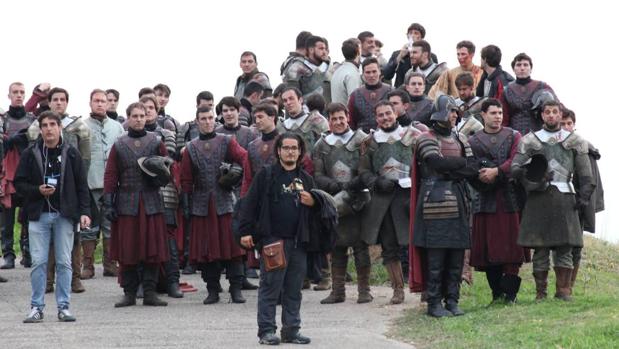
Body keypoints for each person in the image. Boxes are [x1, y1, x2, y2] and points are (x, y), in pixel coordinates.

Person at [238, 133, 318, 345]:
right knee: (270, 288)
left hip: (299, 242)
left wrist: (314, 202)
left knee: (294, 289)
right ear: (279, 151)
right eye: (286, 148)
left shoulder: (307, 179)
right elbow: (249, 206)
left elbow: (319, 213)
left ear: (300, 151)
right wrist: (245, 232)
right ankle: (267, 331)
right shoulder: (266, 176)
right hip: (273, 241)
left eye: (294, 148)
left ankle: (291, 330)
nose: (290, 151)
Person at [511, 100, 594, 301]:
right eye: (547, 112)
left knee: (566, 246)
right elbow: (515, 168)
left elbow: (585, 175)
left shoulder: (575, 141)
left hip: (566, 197)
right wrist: (532, 174)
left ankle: (563, 291)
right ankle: (541, 293)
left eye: (554, 112)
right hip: (538, 196)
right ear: (542, 115)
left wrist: (583, 197)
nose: (550, 115)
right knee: (540, 247)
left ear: (560, 114)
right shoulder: (530, 141)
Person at [15, 111, 91, 323]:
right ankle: (36, 307)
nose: (48, 129)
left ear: (59, 127)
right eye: (44, 125)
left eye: (52, 124)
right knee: (38, 262)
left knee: (64, 262)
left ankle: (64, 307)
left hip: (65, 216)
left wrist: (85, 212)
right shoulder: (30, 153)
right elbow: (19, 185)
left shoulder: (72, 153)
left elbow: (82, 186)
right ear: (40, 129)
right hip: (39, 216)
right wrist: (37, 190)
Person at [411, 95, 479, 317]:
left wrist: (456, 168)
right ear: (441, 112)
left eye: (456, 112)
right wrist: (461, 165)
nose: (455, 116)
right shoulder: (425, 138)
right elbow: (436, 163)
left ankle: (452, 300)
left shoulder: (461, 140)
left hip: (459, 201)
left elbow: (472, 168)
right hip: (434, 202)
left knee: (455, 257)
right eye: (451, 111)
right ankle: (434, 303)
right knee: (436, 259)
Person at [180, 106, 252, 305]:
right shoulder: (191, 147)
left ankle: (236, 289)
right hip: (201, 204)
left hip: (225, 201)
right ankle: (212, 290)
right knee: (207, 250)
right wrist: (186, 204)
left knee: (233, 249)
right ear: (197, 121)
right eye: (203, 118)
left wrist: (234, 174)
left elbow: (245, 159)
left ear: (215, 119)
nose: (207, 121)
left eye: (211, 118)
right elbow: (185, 179)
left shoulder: (227, 141)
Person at [105, 102, 171, 307]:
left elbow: (168, 169)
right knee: (128, 250)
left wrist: (160, 176)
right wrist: (109, 201)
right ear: (128, 118)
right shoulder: (119, 144)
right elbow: (111, 174)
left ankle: (150, 292)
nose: (139, 119)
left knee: (152, 249)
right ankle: (130, 293)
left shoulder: (156, 141)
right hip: (126, 202)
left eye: (142, 115)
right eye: (135, 116)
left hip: (151, 201)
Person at [26, 87, 91, 294]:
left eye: (63, 99)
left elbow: (85, 158)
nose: (59, 103)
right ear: (50, 102)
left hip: (69, 191)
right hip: (43, 198)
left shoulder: (79, 126)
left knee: (73, 239)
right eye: (55, 99)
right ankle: (48, 280)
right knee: (47, 242)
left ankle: (75, 279)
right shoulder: (37, 127)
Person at [358, 101, 423, 305]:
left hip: (409, 197)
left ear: (395, 114)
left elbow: (424, 163)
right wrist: (376, 181)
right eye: (381, 115)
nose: (385, 118)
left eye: (388, 113)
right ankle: (397, 290)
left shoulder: (413, 136)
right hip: (383, 200)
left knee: (418, 243)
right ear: (376, 118)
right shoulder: (370, 142)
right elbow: (363, 171)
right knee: (389, 246)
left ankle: (426, 288)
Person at [468, 98, 528, 303]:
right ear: (483, 115)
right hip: (485, 199)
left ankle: (510, 295)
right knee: (488, 250)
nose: (498, 117)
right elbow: (471, 165)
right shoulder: (473, 140)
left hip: (509, 197)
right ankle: (496, 294)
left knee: (512, 249)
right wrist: (482, 175)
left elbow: (517, 159)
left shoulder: (513, 135)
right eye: (493, 113)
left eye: (500, 113)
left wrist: (497, 171)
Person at [314, 102, 373, 304]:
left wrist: (353, 184)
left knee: (360, 246)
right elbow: (318, 174)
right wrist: (333, 185)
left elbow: (367, 168)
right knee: (337, 246)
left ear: (348, 116)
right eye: (333, 119)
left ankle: (364, 290)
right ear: (328, 121)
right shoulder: (321, 145)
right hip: (334, 200)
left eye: (341, 117)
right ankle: (338, 291)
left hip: (359, 199)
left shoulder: (362, 139)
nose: (338, 122)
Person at [141, 95, 183, 298]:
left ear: (157, 111)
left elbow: (168, 161)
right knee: (141, 239)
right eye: (144, 107)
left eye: (151, 107)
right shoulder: (127, 135)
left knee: (169, 241)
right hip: (140, 193)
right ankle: (142, 283)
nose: (148, 111)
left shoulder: (167, 134)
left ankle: (173, 281)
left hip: (164, 190)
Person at [559, 109, 604, 293]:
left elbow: (592, 180)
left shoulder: (585, 147)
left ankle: (569, 286)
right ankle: (559, 286)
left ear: (574, 124)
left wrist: (586, 202)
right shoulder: (548, 145)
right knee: (558, 246)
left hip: (578, 202)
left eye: (569, 123)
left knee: (576, 246)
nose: (566, 127)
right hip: (557, 202)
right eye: (562, 124)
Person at [82, 89, 125, 279]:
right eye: (96, 101)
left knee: (110, 224)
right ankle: (88, 266)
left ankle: (110, 263)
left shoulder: (118, 127)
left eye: (103, 101)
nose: (100, 104)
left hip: (112, 185)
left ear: (109, 104)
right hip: (89, 183)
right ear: (90, 103)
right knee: (88, 226)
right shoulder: (81, 127)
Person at [1, 82, 37, 270]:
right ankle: (8, 254)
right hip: (7, 174)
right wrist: (9, 140)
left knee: (29, 216)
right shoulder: (3, 119)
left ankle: (28, 252)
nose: (19, 95)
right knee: (7, 219)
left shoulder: (32, 119)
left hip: (28, 174)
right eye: (15, 92)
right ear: (9, 95)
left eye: (22, 92)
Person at [500, 53, 555, 136]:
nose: (522, 68)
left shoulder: (542, 87)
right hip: (514, 137)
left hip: (539, 136)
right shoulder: (507, 91)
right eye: (518, 65)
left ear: (531, 68)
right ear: (514, 69)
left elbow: (557, 108)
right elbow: (503, 118)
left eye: (525, 65)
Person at [383, 23, 438, 88]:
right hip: (402, 93)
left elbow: (434, 76)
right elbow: (387, 75)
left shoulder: (431, 56)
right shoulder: (397, 54)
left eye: (416, 33)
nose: (412, 35)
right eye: (410, 33)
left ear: (421, 37)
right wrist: (399, 57)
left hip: (421, 91)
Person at [276, 86, 328, 153]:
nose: (288, 103)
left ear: (300, 100)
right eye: (285, 100)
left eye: (291, 98)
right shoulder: (281, 125)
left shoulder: (316, 120)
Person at [348, 57, 392, 133]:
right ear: (363, 74)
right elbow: (351, 123)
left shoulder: (391, 92)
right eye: (368, 72)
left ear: (379, 72)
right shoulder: (354, 95)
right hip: (363, 141)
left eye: (374, 71)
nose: (371, 75)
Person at [282, 35, 329, 100]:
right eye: (321, 49)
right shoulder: (297, 66)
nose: (324, 52)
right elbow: (292, 94)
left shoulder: (326, 67)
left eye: (325, 49)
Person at [330, 38, 363, 105]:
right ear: (358, 51)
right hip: (347, 114)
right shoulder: (352, 74)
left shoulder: (338, 71)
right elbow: (354, 102)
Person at [454, 73, 484, 137]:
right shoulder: (454, 103)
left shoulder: (481, 104)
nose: (461, 92)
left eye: (464, 89)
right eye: (459, 89)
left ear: (472, 87)